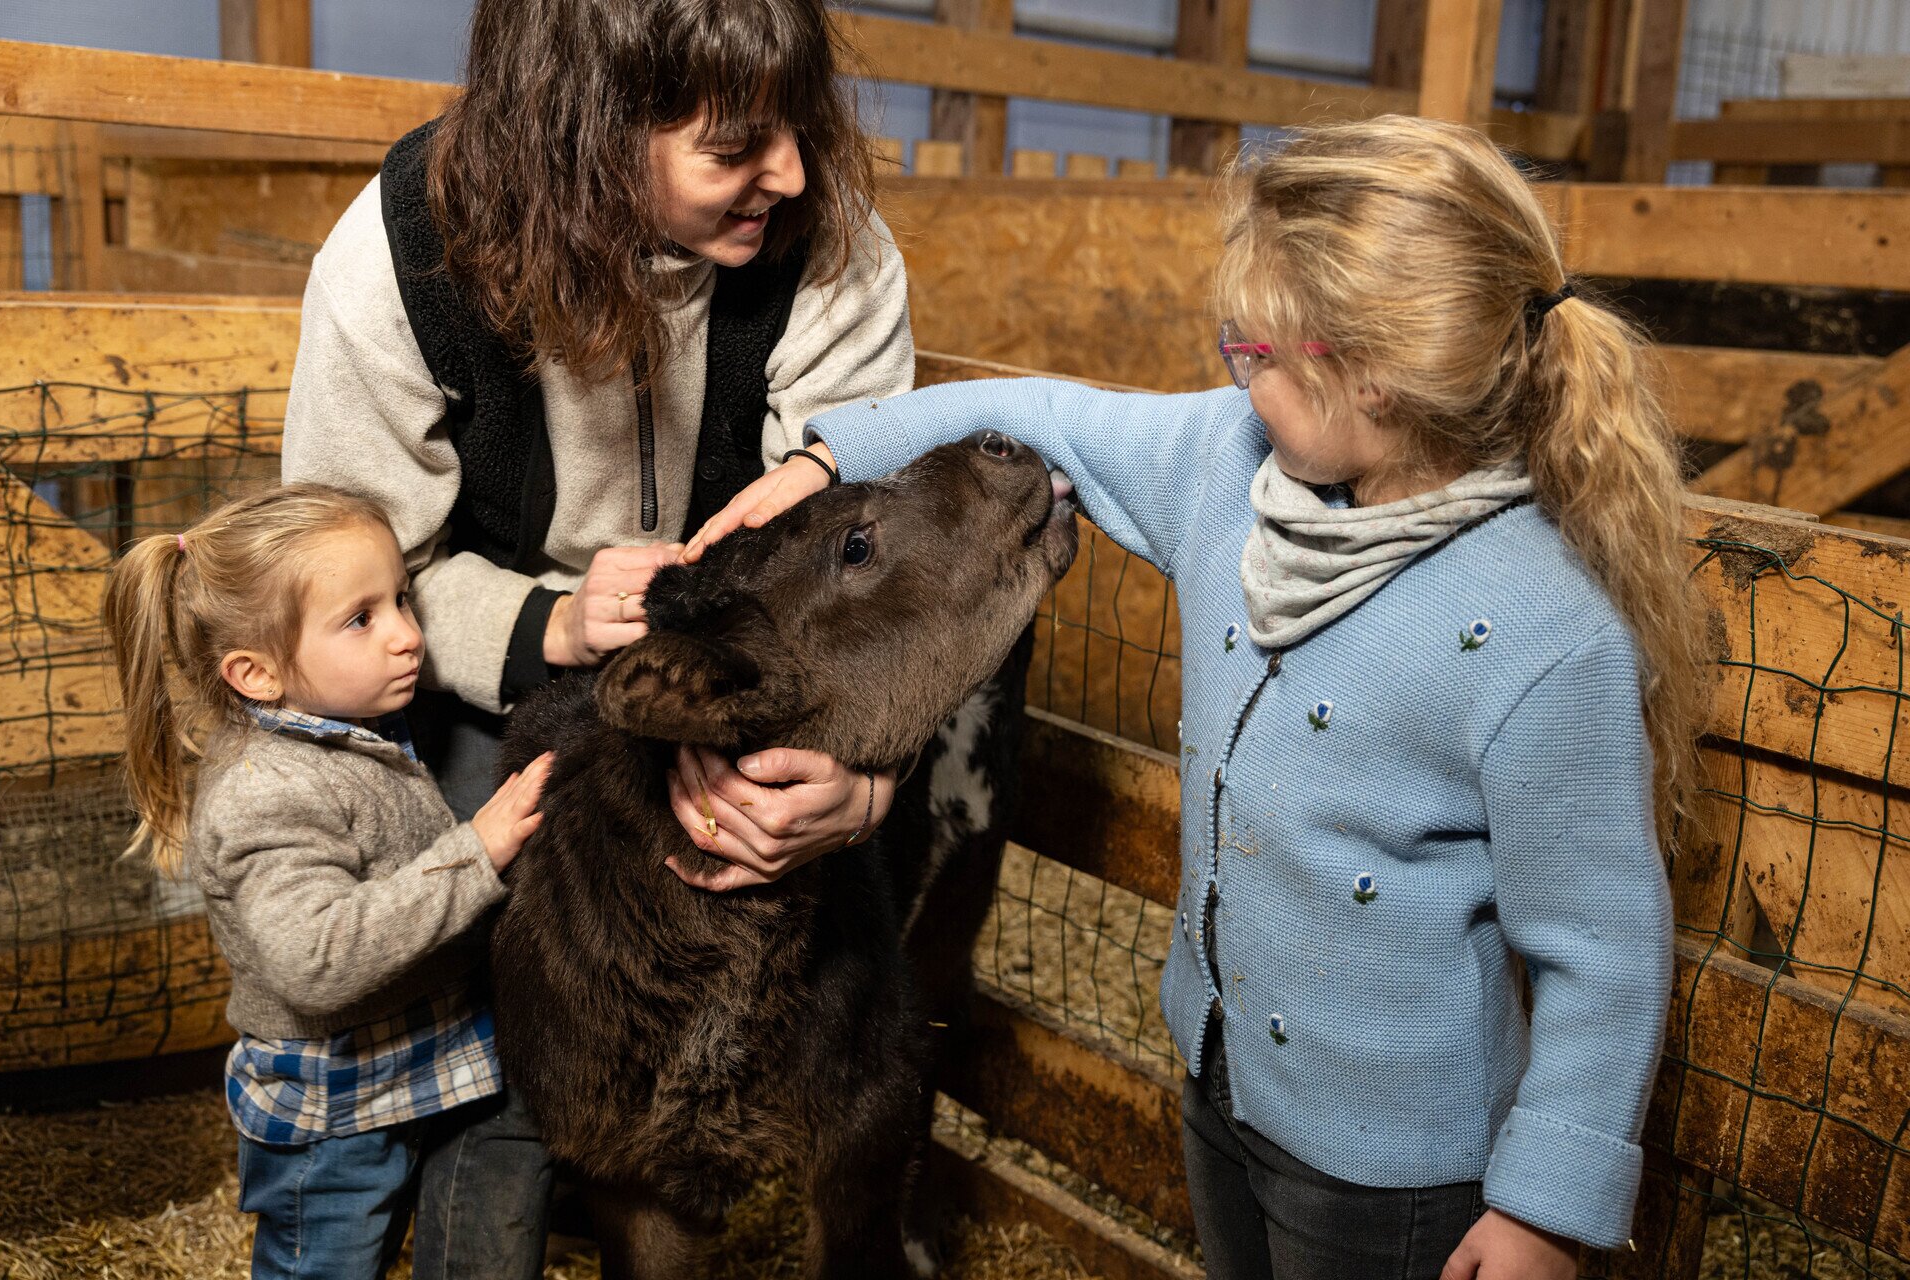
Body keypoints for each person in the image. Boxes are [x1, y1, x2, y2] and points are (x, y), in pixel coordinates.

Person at [690, 115, 1699, 1280]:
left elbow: (1602, 949)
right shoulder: (1231, 463)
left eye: (1255, 351)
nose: (1234, 367)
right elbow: (1042, 417)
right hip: (1223, 1074)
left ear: (1371, 375)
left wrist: (1543, 1211)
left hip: (1397, 1170)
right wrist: (828, 462)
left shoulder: (1541, 633)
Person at [281, 1, 912, 1267]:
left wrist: (867, 775)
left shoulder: (827, 237)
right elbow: (365, 557)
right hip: (486, 667)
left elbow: (876, 545)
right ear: (593, 131)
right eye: (735, 145)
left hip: (764, 679)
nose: (789, 173)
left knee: (849, 961)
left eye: (797, 124)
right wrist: (550, 622)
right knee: (510, 1001)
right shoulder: (403, 255)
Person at [101, 484, 555, 1280]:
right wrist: (476, 854)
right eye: (362, 619)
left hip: (407, 1071)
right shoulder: (264, 793)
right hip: (331, 1117)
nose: (408, 637)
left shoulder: (353, 732)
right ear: (257, 673)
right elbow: (318, 958)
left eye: (402, 601)